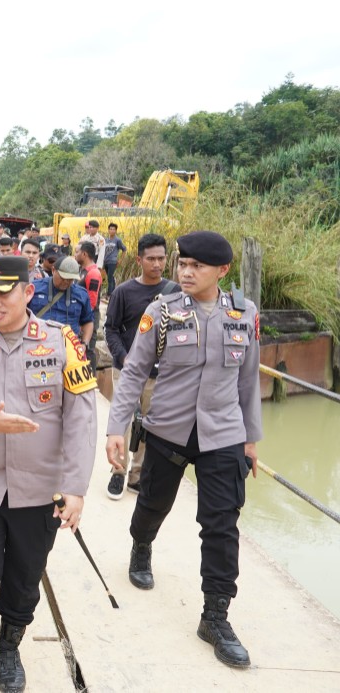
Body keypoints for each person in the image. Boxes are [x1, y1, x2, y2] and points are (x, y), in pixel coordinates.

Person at [0, 255, 97, 693]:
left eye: (3, 292)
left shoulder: (61, 342)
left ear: (28, 292)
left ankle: (10, 644)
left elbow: (83, 415)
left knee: (25, 575)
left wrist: (76, 487)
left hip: (40, 490)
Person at [106, 231, 261, 669]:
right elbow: (134, 372)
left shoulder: (243, 314)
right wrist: (116, 427)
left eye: (197, 266)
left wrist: (250, 440)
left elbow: (249, 381)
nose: (185, 272)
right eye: (183, 264)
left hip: (224, 434)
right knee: (154, 503)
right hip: (169, 431)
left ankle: (215, 616)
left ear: (223, 271)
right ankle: (141, 544)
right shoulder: (162, 313)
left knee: (221, 525)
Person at [103, 233, 178, 499]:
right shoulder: (124, 292)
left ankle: (137, 475)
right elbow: (110, 329)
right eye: (151, 259)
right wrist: (126, 359)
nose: (156, 264)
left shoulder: (175, 293)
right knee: (123, 420)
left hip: (159, 374)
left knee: (150, 423)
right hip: (126, 368)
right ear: (139, 260)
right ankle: (118, 473)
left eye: (161, 258)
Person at [27, 256, 94, 345]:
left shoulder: (81, 294)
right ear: (53, 270)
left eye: (70, 279)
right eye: (63, 277)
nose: (66, 282)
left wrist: (84, 344)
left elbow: (88, 321)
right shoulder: (35, 288)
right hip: (38, 344)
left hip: (69, 346)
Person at [76, 241, 103, 371]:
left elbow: (92, 302)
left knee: (89, 349)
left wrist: (85, 323)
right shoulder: (82, 270)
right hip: (81, 316)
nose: (75, 255)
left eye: (77, 252)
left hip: (88, 317)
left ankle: (91, 380)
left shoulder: (93, 274)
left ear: (84, 254)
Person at [104, 223, 126, 295]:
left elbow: (124, 250)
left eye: (114, 229)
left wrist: (120, 260)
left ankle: (109, 294)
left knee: (110, 278)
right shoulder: (106, 240)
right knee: (110, 277)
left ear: (116, 231)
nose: (112, 231)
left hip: (113, 261)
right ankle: (114, 293)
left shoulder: (117, 240)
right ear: (108, 230)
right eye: (110, 229)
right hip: (106, 261)